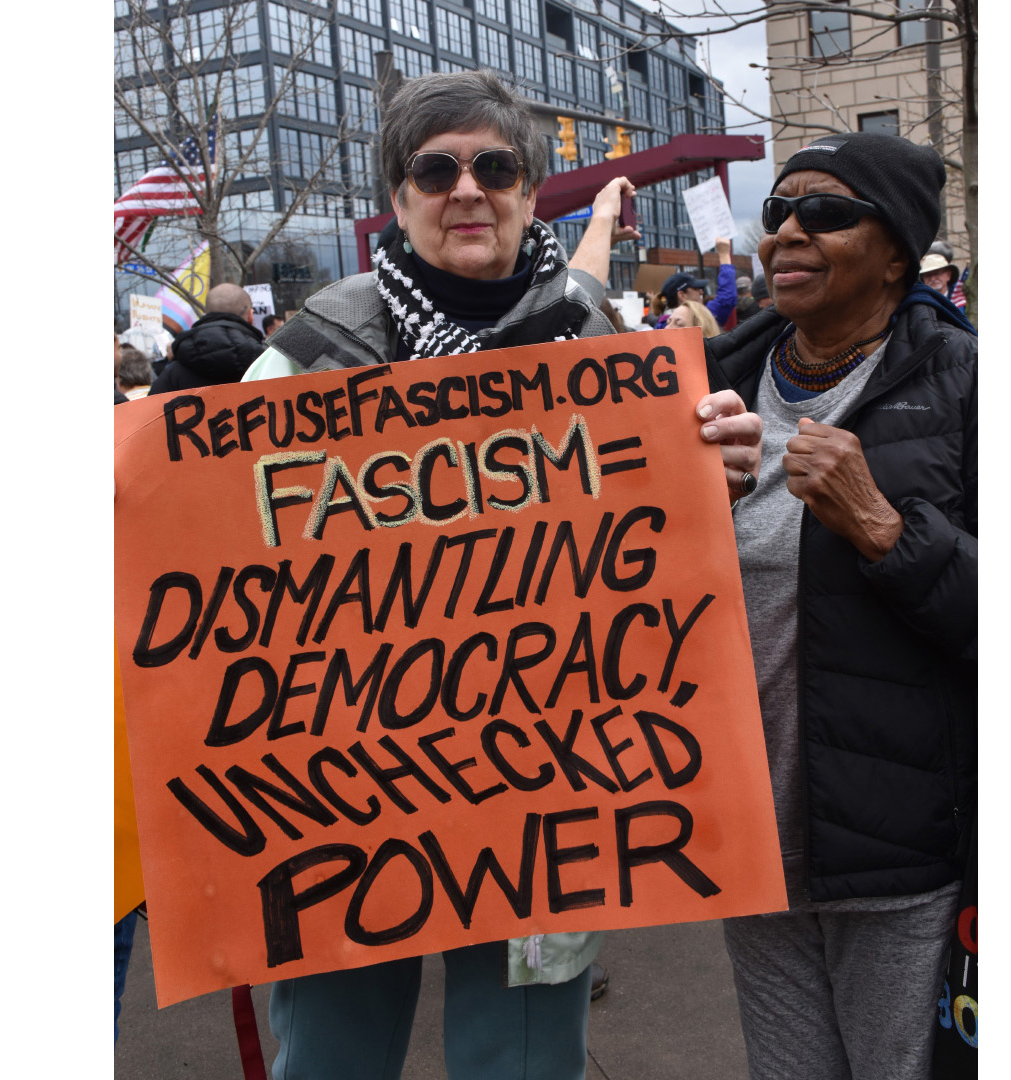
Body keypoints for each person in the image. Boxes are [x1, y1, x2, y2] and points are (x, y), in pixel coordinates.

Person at [242, 70, 762, 1080]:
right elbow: (226, 555)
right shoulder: (305, 356)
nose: (467, 189)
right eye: (436, 169)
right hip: (345, 778)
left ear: (530, 193)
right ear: (399, 196)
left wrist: (713, 483)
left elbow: (648, 552)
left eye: (496, 167)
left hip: (541, 775)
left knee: (521, 1061)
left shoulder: (600, 341)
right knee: (332, 1057)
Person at [703, 131, 976, 1080]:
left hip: (896, 847)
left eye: (825, 212)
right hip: (744, 837)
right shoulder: (703, 385)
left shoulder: (967, 386)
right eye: (776, 213)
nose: (786, 234)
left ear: (897, 247)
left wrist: (883, 528)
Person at [149, 282, 265, 393]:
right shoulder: (265, 363)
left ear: (205, 314)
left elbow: (151, 412)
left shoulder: (173, 372)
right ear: (250, 316)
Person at [652, 239, 738, 331]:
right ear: (682, 295)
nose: (701, 292)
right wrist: (724, 255)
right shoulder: (698, 318)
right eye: (696, 289)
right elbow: (727, 298)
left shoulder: (660, 326)